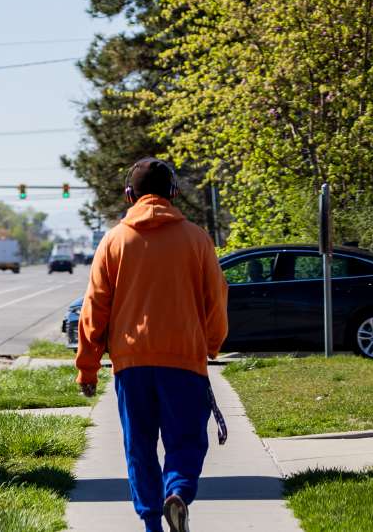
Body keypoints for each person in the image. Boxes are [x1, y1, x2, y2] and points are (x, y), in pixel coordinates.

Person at [75, 158, 229, 532]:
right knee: (187, 440)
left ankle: (150, 523)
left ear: (130, 196)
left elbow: (95, 307)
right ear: (174, 194)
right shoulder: (196, 238)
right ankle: (176, 492)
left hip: (132, 363)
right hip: (183, 360)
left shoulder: (114, 240)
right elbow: (217, 298)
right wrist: (210, 344)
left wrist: (88, 368)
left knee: (139, 446)